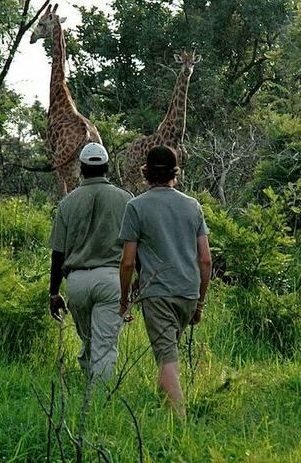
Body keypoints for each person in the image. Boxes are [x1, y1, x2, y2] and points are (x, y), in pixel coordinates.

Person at [118, 145, 212, 417]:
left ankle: (180, 425)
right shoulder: (192, 206)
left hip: (157, 294)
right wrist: (199, 303)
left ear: (145, 172)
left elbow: (127, 262)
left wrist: (125, 301)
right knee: (167, 357)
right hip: (187, 292)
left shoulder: (136, 207)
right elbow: (205, 259)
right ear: (175, 173)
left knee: (167, 361)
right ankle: (165, 416)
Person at [48, 142, 132, 382]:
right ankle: (99, 403)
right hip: (111, 280)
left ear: (81, 169)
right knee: (104, 346)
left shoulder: (67, 202)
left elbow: (58, 253)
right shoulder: (126, 199)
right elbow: (135, 247)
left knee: (89, 340)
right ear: (107, 168)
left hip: (77, 283)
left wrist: (54, 293)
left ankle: (88, 392)